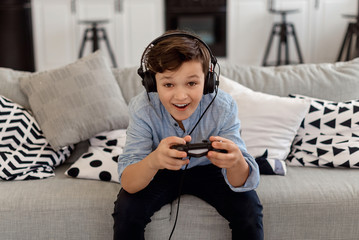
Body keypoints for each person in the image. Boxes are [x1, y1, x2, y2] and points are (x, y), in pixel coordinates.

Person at [112, 30, 263, 239]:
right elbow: (129, 182)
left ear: (209, 80)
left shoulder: (223, 106)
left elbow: (241, 181)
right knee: (127, 209)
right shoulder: (142, 108)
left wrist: (236, 162)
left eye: (192, 83)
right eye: (168, 84)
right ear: (151, 82)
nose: (181, 96)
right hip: (160, 168)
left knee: (249, 209)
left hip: (211, 170)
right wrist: (153, 161)